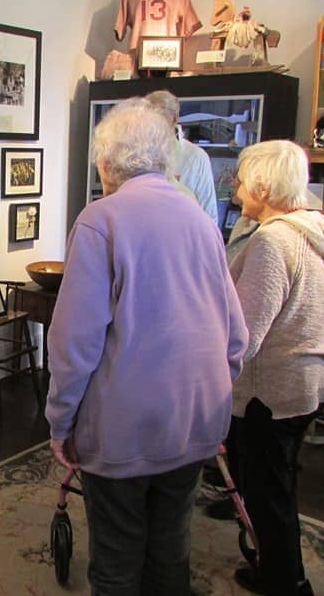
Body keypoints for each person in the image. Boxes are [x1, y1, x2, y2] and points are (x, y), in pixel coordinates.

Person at [45, 97, 248, 595]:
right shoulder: (202, 219)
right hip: (195, 418)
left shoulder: (101, 219)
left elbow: (75, 342)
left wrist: (60, 421)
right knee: (169, 555)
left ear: (108, 162)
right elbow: (235, 337)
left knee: (116, 563)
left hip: (124, 427)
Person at [227, 140, 324, 595]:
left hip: (272, 389)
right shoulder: (320, 227)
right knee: (275, 482)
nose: (238, 189)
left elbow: (244, 335)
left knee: (269, 495)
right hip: (310, 381)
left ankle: (286, 582)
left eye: (242, 181)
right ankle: (276, 566)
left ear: (262, 186)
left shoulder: (272, 242)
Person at [145, 90, 219, 223]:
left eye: (159, 118)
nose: (153, 126)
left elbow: (209, 214)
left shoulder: (196, 157)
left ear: (174, 118)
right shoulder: (138, 155)